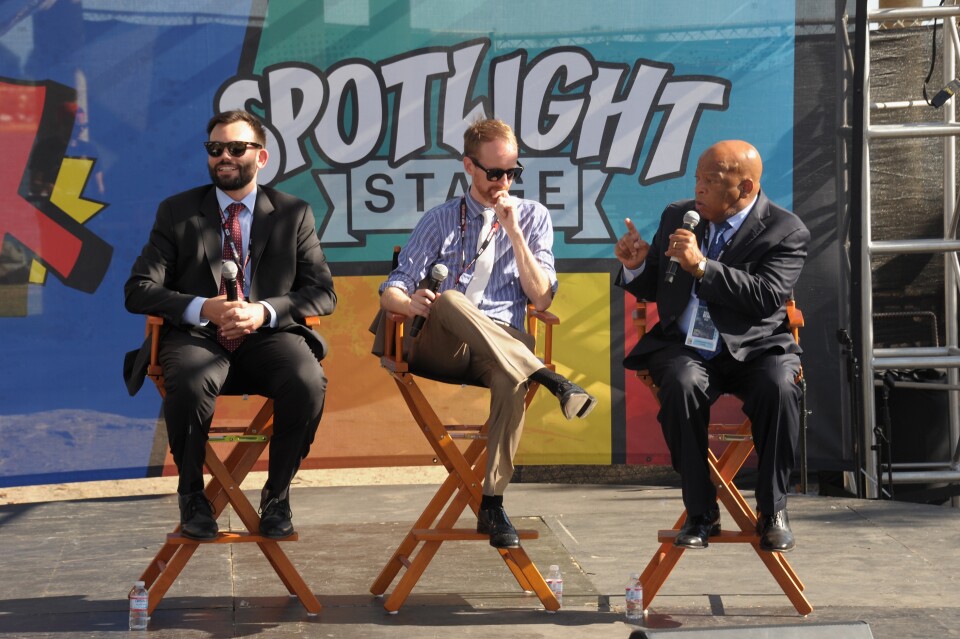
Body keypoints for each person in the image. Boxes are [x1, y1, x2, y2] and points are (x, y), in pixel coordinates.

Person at [377, 118, 597, 549]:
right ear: (469, 167)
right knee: (451, 300)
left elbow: (543, 299)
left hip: (500, 346)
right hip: (440, 343)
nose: (503, 181)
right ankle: (550, 379)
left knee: (510, 377)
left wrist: (513, 230)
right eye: (494, 172)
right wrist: (408, 303)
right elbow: (393, 288)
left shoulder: (533, 217)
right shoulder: (441, 219)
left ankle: (492, 503)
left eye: (512, 172)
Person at [124, 109, 336, 541]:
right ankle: (191, 496)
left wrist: (264, 311)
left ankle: (277, 495)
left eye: (236, 148)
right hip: (198, 339)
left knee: (307, 379)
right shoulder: (177, 212)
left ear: (261, 157)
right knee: (186, 377)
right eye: (215, 149)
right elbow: (138, 289)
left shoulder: (293, 213)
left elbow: (322, 293)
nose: (224, 156)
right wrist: (204, 307)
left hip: (267, 338)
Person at [614, 140, 809, 553]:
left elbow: (764, 296)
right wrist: (635, 267)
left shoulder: (785, 230)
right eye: (698, 178)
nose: (699, 188)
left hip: (754, 348)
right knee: (681, 385)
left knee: (780, 388)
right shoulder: (679, 217)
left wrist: (702, 266)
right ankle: (701, 512)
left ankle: (773, 510)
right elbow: (661, 284)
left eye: (711, 180)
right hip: (687, 347)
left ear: (745, 188)